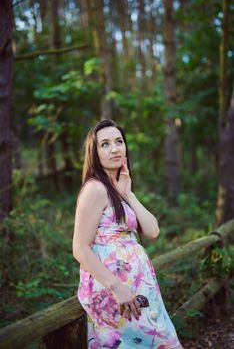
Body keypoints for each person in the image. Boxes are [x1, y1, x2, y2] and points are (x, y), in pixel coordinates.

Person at [73, 119, 183, 348]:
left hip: (139, 289)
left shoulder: (117, 190)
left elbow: (152, 231)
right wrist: (116, 287)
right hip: (115, 292)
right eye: (105, 144)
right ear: (94, 153)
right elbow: (80, 248)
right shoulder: (95, 189)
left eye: (119, 141)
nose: (114, 148)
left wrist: (128, 193)